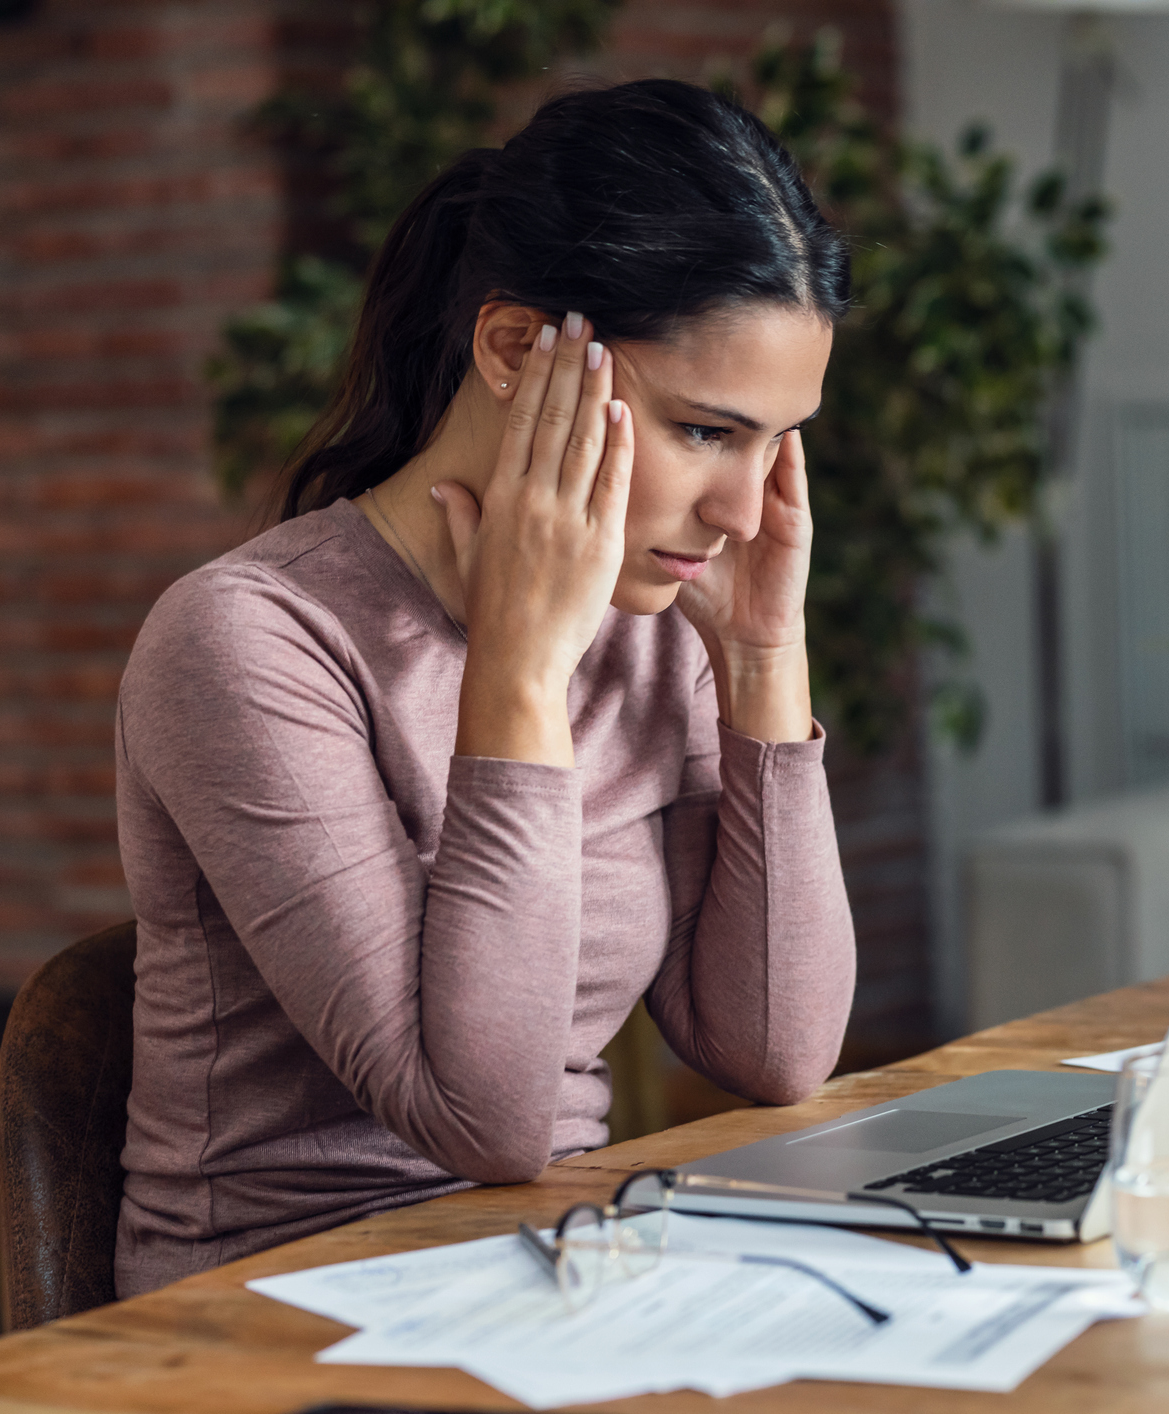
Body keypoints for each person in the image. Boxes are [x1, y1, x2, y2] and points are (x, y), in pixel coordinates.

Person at [111, 80, 857, 1297]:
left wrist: (765, 663)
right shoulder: (248, 642)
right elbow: (486, 1118)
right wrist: (518, 673)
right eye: (706, 431)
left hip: (559, 1276)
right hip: (277, 1312)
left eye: (778, 442)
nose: (740, 509)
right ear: (515, 349)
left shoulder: (648, 616)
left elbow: (772, 1049)